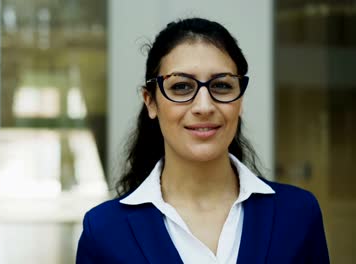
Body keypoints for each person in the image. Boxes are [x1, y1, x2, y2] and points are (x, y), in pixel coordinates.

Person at [76, 17, 329, 264]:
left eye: (221, 86)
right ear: (150, 102)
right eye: (181, 87)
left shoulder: (298, 214)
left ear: (240, 100)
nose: (204, 106)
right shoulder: (104, 231)